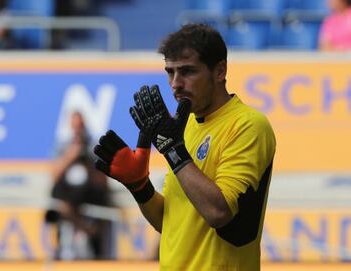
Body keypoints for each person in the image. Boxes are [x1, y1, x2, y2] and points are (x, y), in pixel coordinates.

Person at [94, 23, 276, 270]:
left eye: (187, 71)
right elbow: (169, 222)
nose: (175, 83)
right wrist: (140, 187)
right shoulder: (185, 125)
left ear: (220, 71)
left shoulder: (248, 125)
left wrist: (173, 150)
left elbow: (218, 213)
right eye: (170, 72)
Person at [48, 111, 110, 260]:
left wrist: (88, 162)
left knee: (87, 196)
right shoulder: (63, 147)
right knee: (60, 200)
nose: (78, 129)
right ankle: (86, 230)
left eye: (80, 125)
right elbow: (54, 176)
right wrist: (71, 156)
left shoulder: (94, 147)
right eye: (75, 126)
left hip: (89, 193)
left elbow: (103, 182)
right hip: (68, 194)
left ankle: (89, 237)